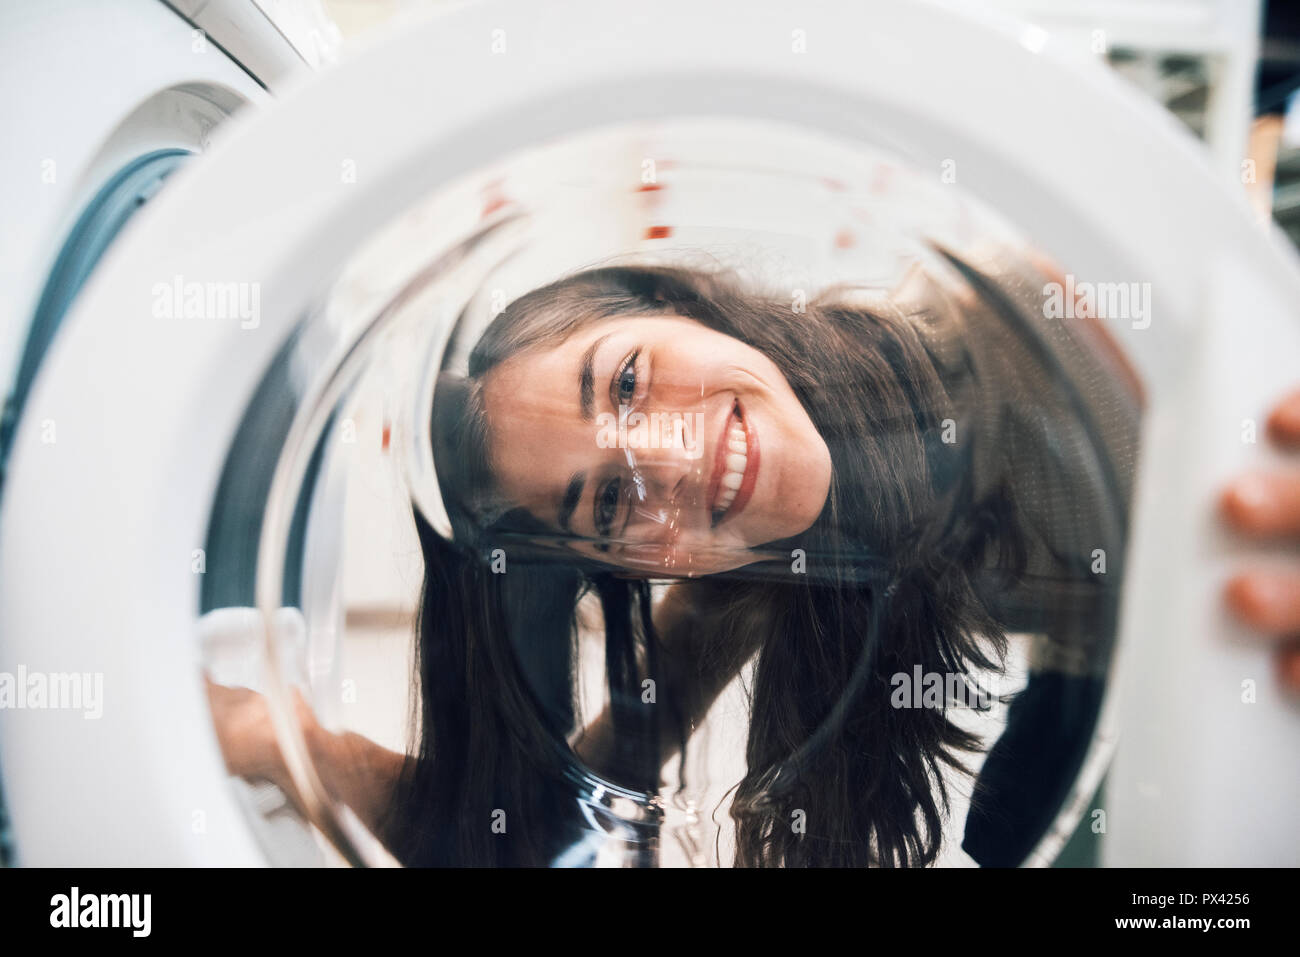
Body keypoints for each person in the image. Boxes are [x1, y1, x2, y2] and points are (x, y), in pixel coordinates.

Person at [206, 248, 1300, 867]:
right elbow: (529, 840)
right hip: (1096, 653)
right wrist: (285, 741)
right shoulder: (751, 555)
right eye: (602, 502)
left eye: (625, 382)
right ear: (632, 563)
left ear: (684, 306)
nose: (662, 461)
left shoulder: (1050, 339)